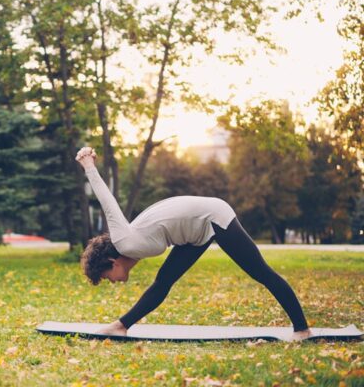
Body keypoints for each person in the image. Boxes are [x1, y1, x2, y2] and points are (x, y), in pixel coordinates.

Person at [75, 146, 312, 341]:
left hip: (214, 218)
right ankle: (121, 325)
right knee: (162, 282)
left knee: (261, 272)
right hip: (193, 234)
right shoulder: (130, 243)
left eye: (107, 277)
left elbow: (107, 202)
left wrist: (88, 165)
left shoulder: (124, 241)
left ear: (111, 261)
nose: (112, 282)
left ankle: (301, 329)